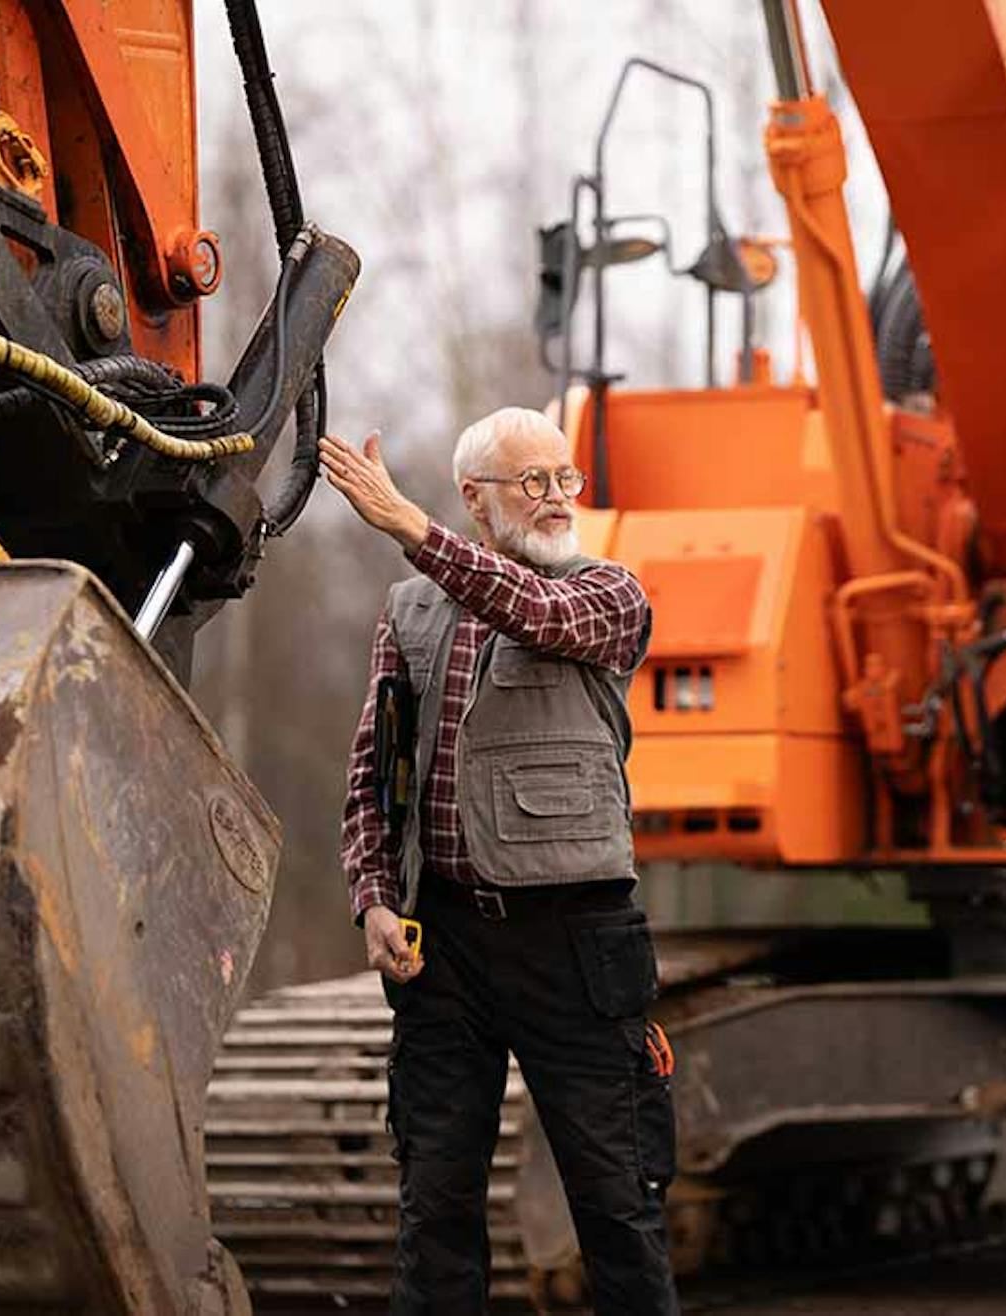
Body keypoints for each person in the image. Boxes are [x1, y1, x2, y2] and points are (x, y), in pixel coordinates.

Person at [321, 407, 679, 1315]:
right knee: (434, 1205)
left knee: (616, 1204)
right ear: (476, 499)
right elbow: (375, 769)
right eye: (535, 482)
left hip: (576, 945)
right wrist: (371, 898)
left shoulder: (607, 595)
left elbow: (532, 610)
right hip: (444, 946)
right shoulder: (409, 610)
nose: (559, 498)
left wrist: (411, 529)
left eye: (567, 479)